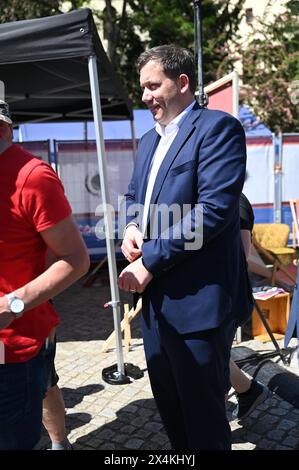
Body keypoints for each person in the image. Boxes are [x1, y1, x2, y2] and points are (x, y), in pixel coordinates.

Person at [118, 45, 253, 450]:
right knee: (171, 408)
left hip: (200, 305)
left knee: (203, 414)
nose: (146, 96)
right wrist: (129, 226)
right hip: (157, 308)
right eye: (142, 88)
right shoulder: (148, 141)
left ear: (182, 83)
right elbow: (132, 196)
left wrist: (151, 262)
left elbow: (213, 211)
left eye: (153, 85)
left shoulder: (218, 129)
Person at [0, 100, 90, 450]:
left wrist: (12, 304)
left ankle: (58, 442)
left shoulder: (32, 176)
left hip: (12, 346)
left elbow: (74, 259)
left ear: (4, 128)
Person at [229, 193, 268, 419]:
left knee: (213, 353)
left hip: (227, 292)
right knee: (216, 353)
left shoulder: (238, 201)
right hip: (216, 292)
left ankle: (246, 391)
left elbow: (244, 252)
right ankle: (247, 391)